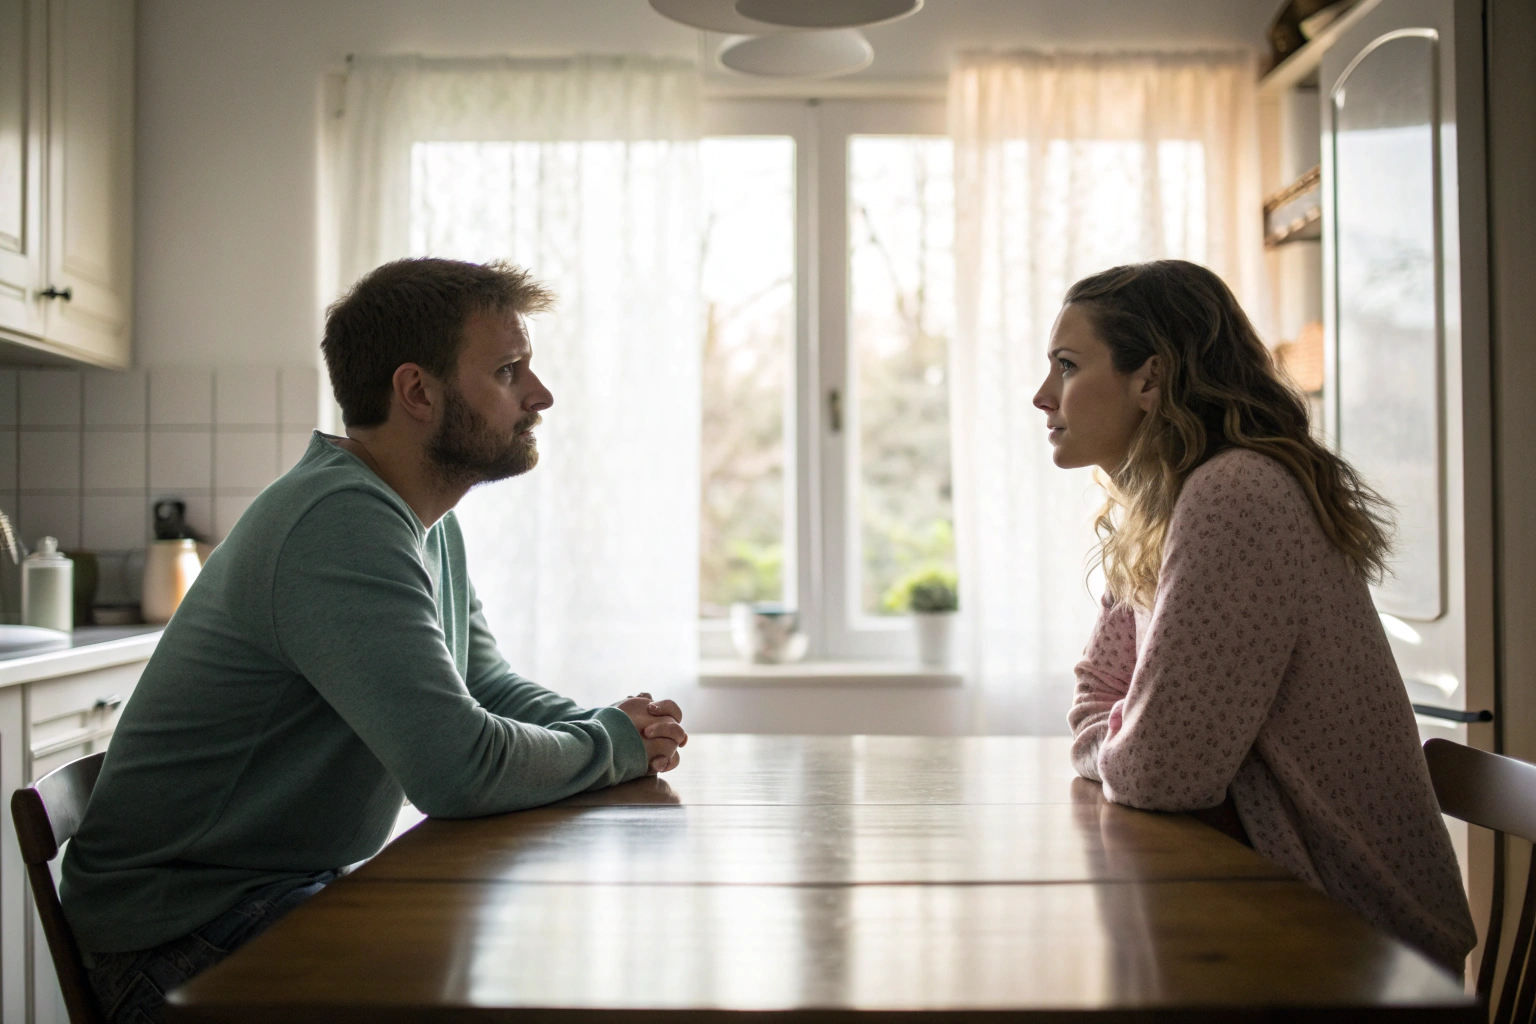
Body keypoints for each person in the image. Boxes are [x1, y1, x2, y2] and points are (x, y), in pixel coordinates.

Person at [60, 257, 689, 1023]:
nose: (539, 395)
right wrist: (611, 745)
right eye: (509, 371)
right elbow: (456, 769)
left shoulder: (423, 521)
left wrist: (617, 730)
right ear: (417, 391)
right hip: (181, 939)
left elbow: (485, 686)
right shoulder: (338, 521)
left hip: (267, 898)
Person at [1035, 260, 1476, 972]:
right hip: (1281, 904)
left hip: (1367, 949)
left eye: (1065, 365)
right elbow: (1097, 701)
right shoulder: (1164, 506)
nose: (1041, 395)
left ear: (1150, 378)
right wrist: (1123, 741)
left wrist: (1113, 748)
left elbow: (1161, 773)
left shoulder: (1236, 494)